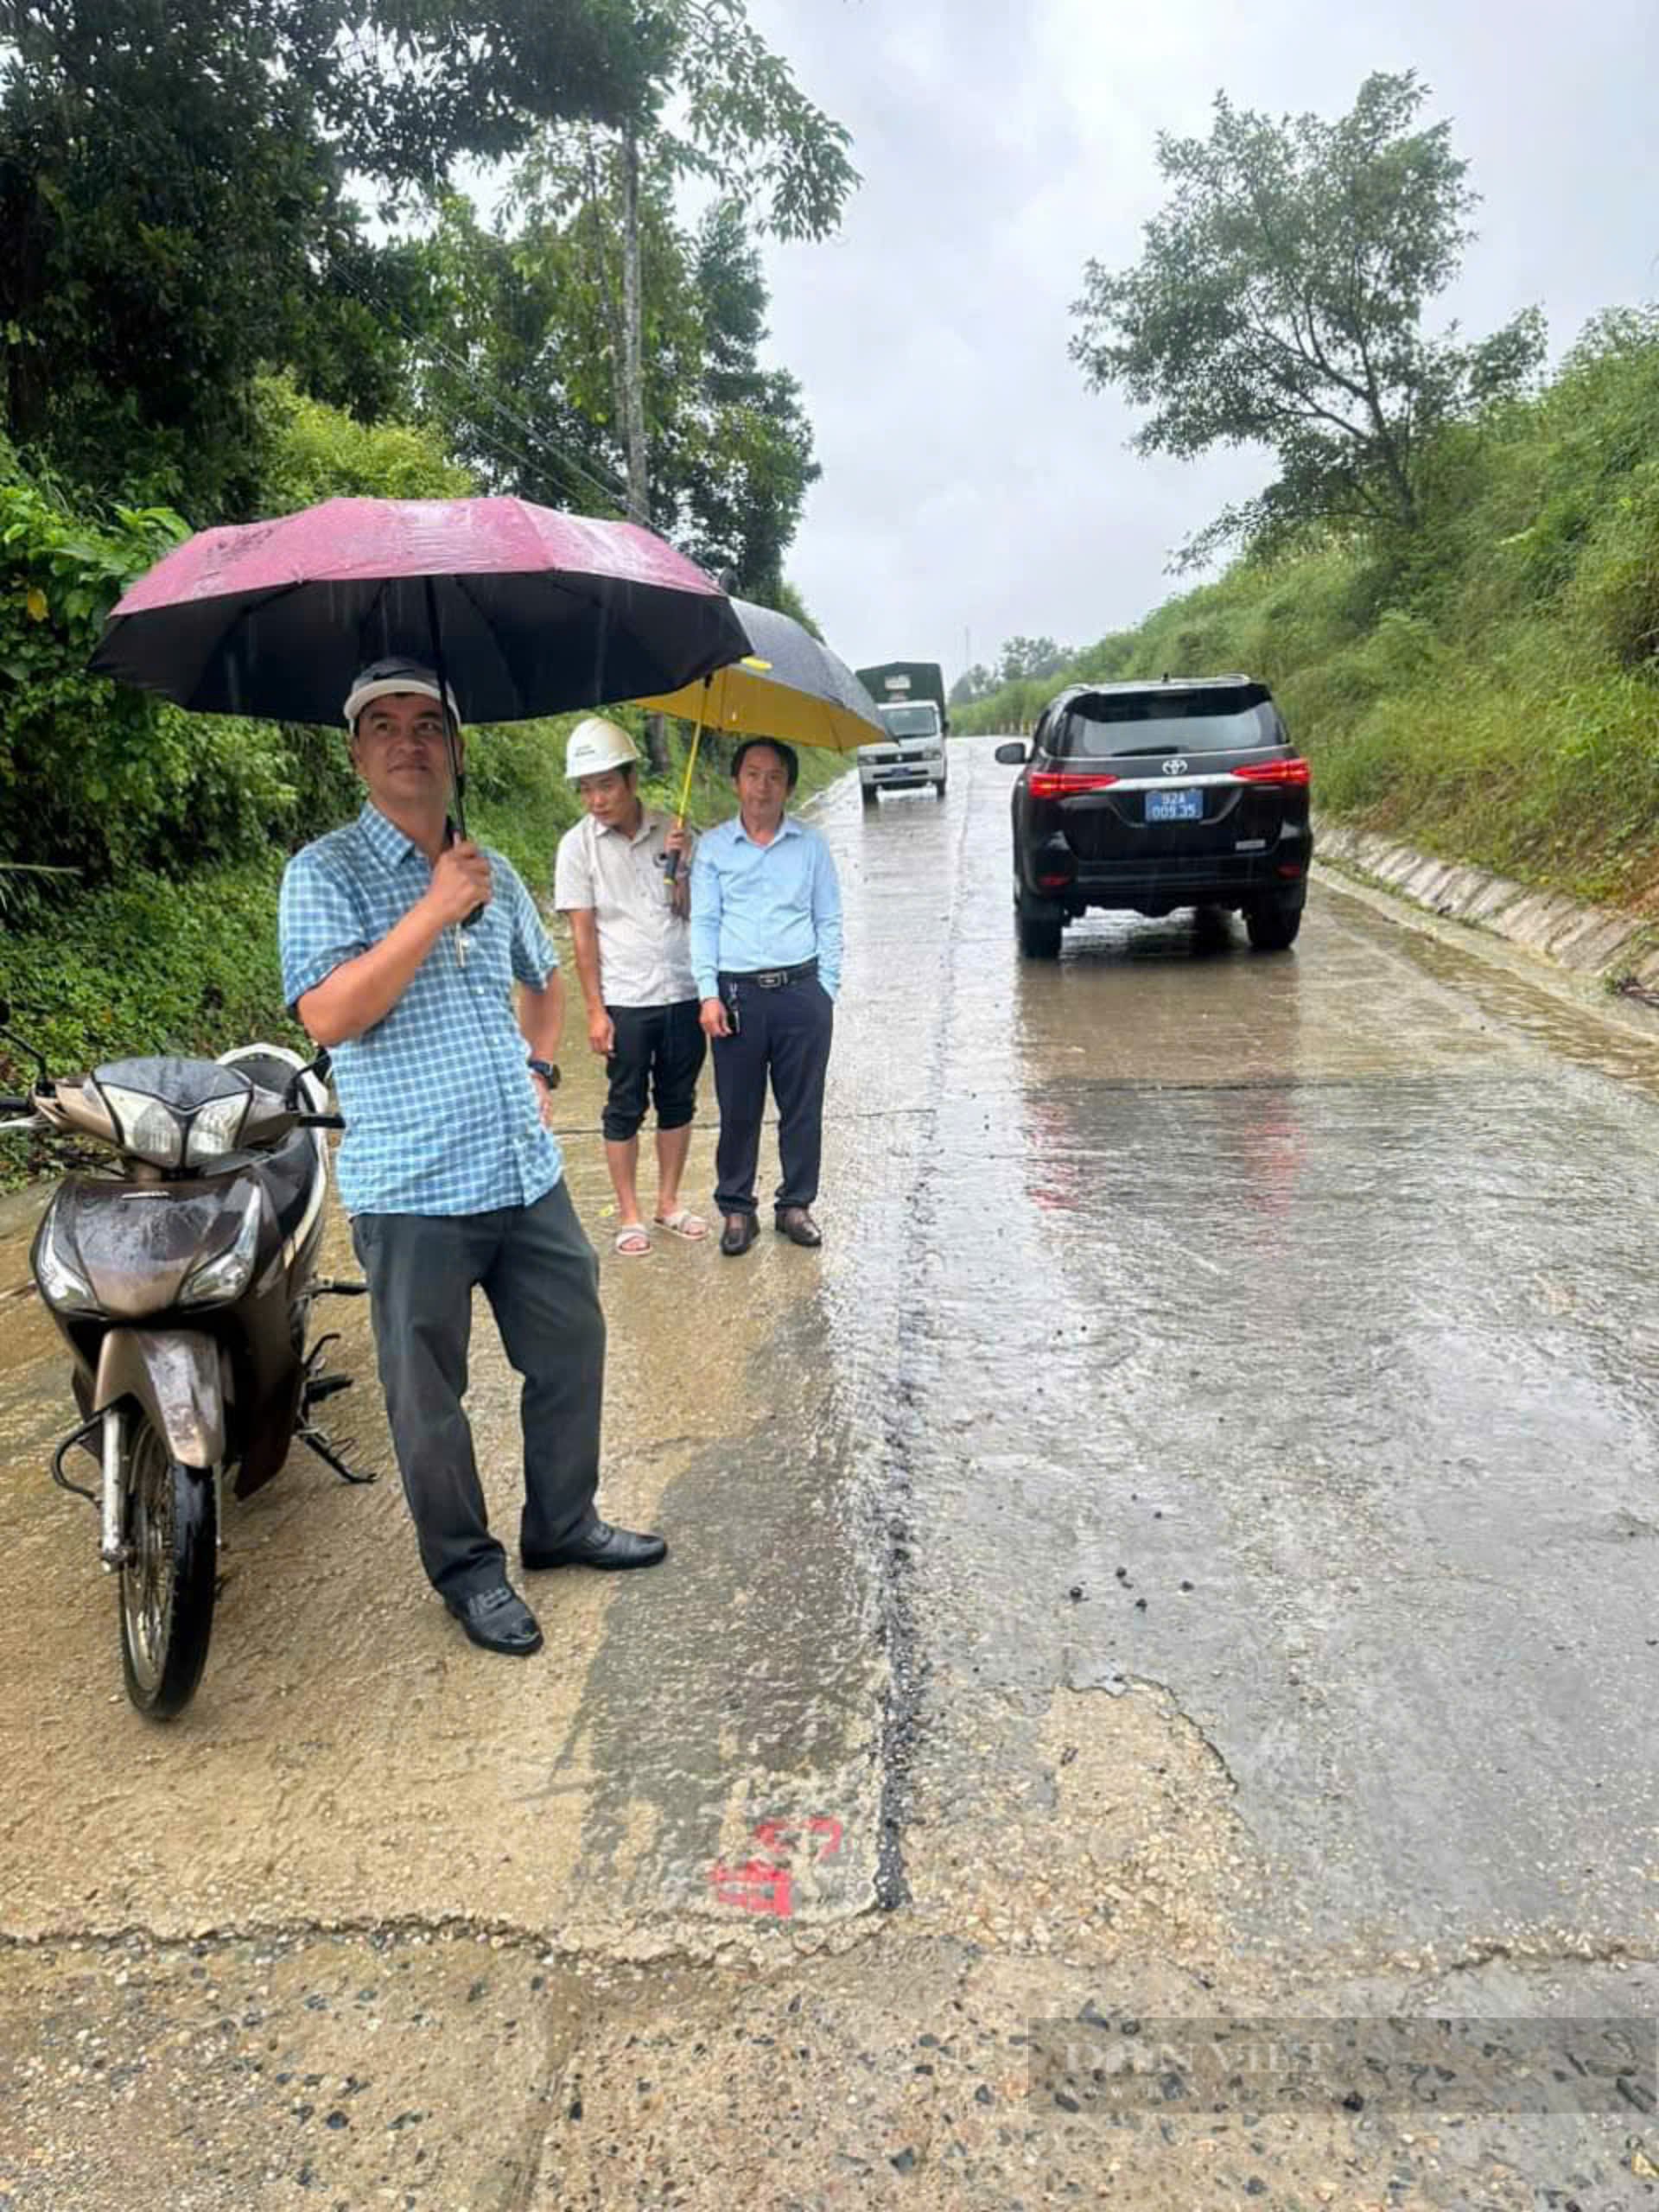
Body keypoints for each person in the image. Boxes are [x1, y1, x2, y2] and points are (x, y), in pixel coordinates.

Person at [277, 656, 665, 1661]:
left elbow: (542, 979)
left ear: (455, 747)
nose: (410, 741)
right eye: (385, 725)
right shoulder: (323, 873)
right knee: (428, 1398)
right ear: (357, 752)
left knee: (571, 1343)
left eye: (429, 723)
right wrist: (432, 908)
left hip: (518, 1169)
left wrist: (540, 1068)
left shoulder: (482, 866)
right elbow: (329, 1012)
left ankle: (562, 1523)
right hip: (412, 1187)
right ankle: (468, 1569)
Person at [552, 716, 709, 1257]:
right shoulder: (577, 848)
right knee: (623, 1106)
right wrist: (596, 1011)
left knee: (678, 1100)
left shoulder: (675, 831)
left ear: (631, 780)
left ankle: (667, 1203)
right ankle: (630, 1215)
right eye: (586, 788)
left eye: (606, 785)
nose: (595, 799)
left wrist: (683, 869)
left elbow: (695, 914)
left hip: (682, 989)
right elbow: (582, 936)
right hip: (625, 997)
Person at [690, 736, 842, 1256]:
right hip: (736, 996)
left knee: (802, 1106)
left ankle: (795, 1205)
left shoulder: (811, 845)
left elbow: (829, 919)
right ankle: (737, 1209)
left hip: (801, 991)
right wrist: (708, 994)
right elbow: (704, 923)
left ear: (789, 786)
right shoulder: (712, 849)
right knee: (738, 1108)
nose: (763, 786)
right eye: (753, 774)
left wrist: (827, 991)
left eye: (775, 775)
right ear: (736, 782)